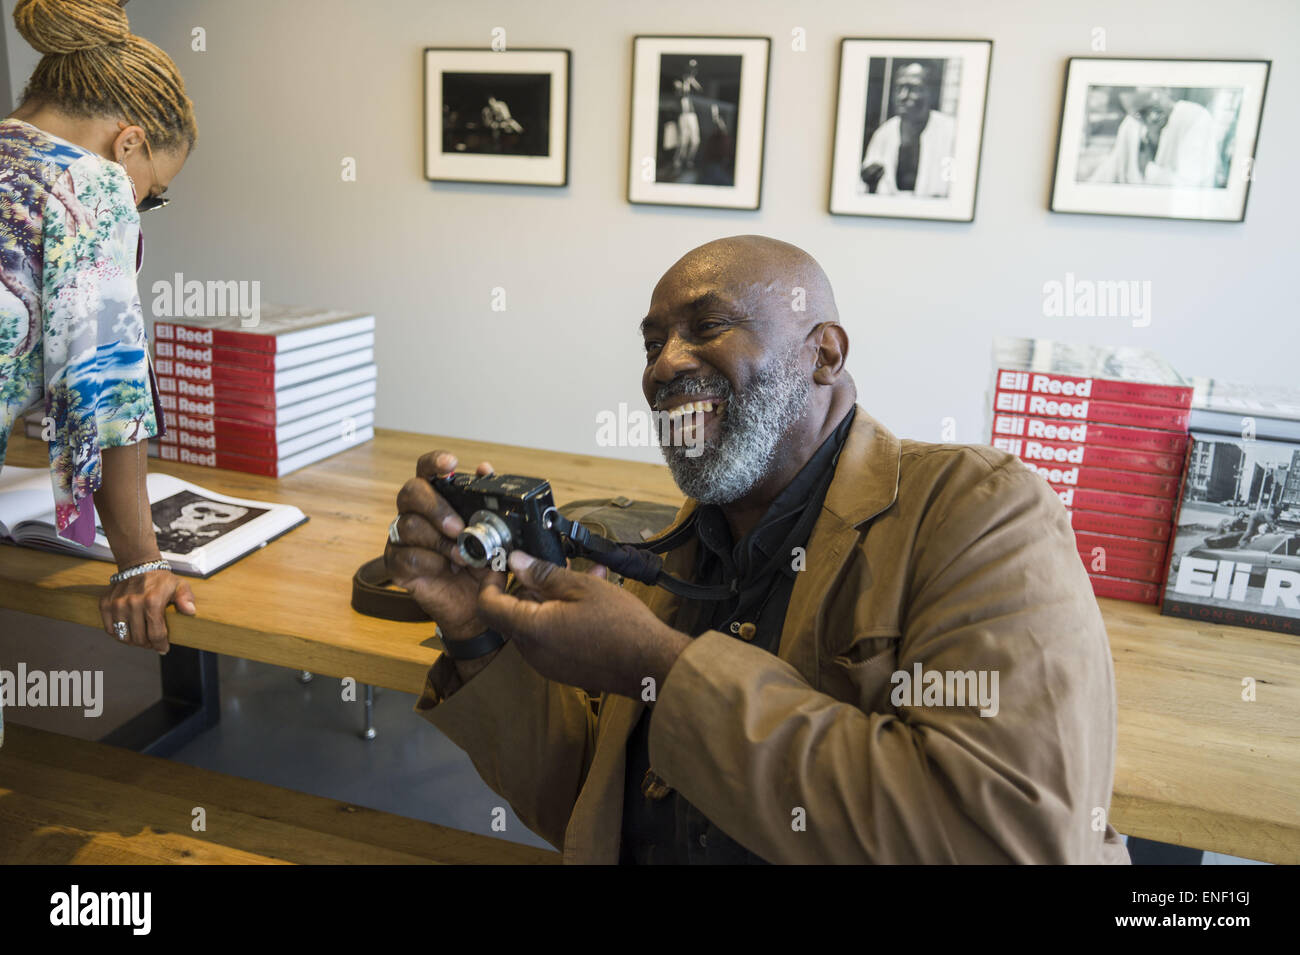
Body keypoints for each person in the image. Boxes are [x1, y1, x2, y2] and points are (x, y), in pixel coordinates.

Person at [385, 235, 1129, 864]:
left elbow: (1010, 838)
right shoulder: (675, 552)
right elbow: (588, 807)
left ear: (824, 354)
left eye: (707, 328)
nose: (663, 367)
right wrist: (475, 630)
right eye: (651, 344)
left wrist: (660, 665)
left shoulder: (980, 509)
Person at [0, 0, 199, 654]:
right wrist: (142, 563)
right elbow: (105, 393)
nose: (143, 203)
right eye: (155, 191)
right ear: (130, 143)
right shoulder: (90, 185)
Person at [1087, 87, 1217, 187]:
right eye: (1140, 114)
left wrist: (1149, 171)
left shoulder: (1194, 117)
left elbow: (1192, 186)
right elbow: (1108, 171)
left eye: (1154, 108)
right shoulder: (1131, 126)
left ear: (1165, 92)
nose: (1152, 117)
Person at [860, 62, 955, 197]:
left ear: (931, 92)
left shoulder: (951, 132)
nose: (902, 96)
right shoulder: (884, 134)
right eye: (899, 88)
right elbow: (865, 188)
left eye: (913, 88)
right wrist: (870, 183)